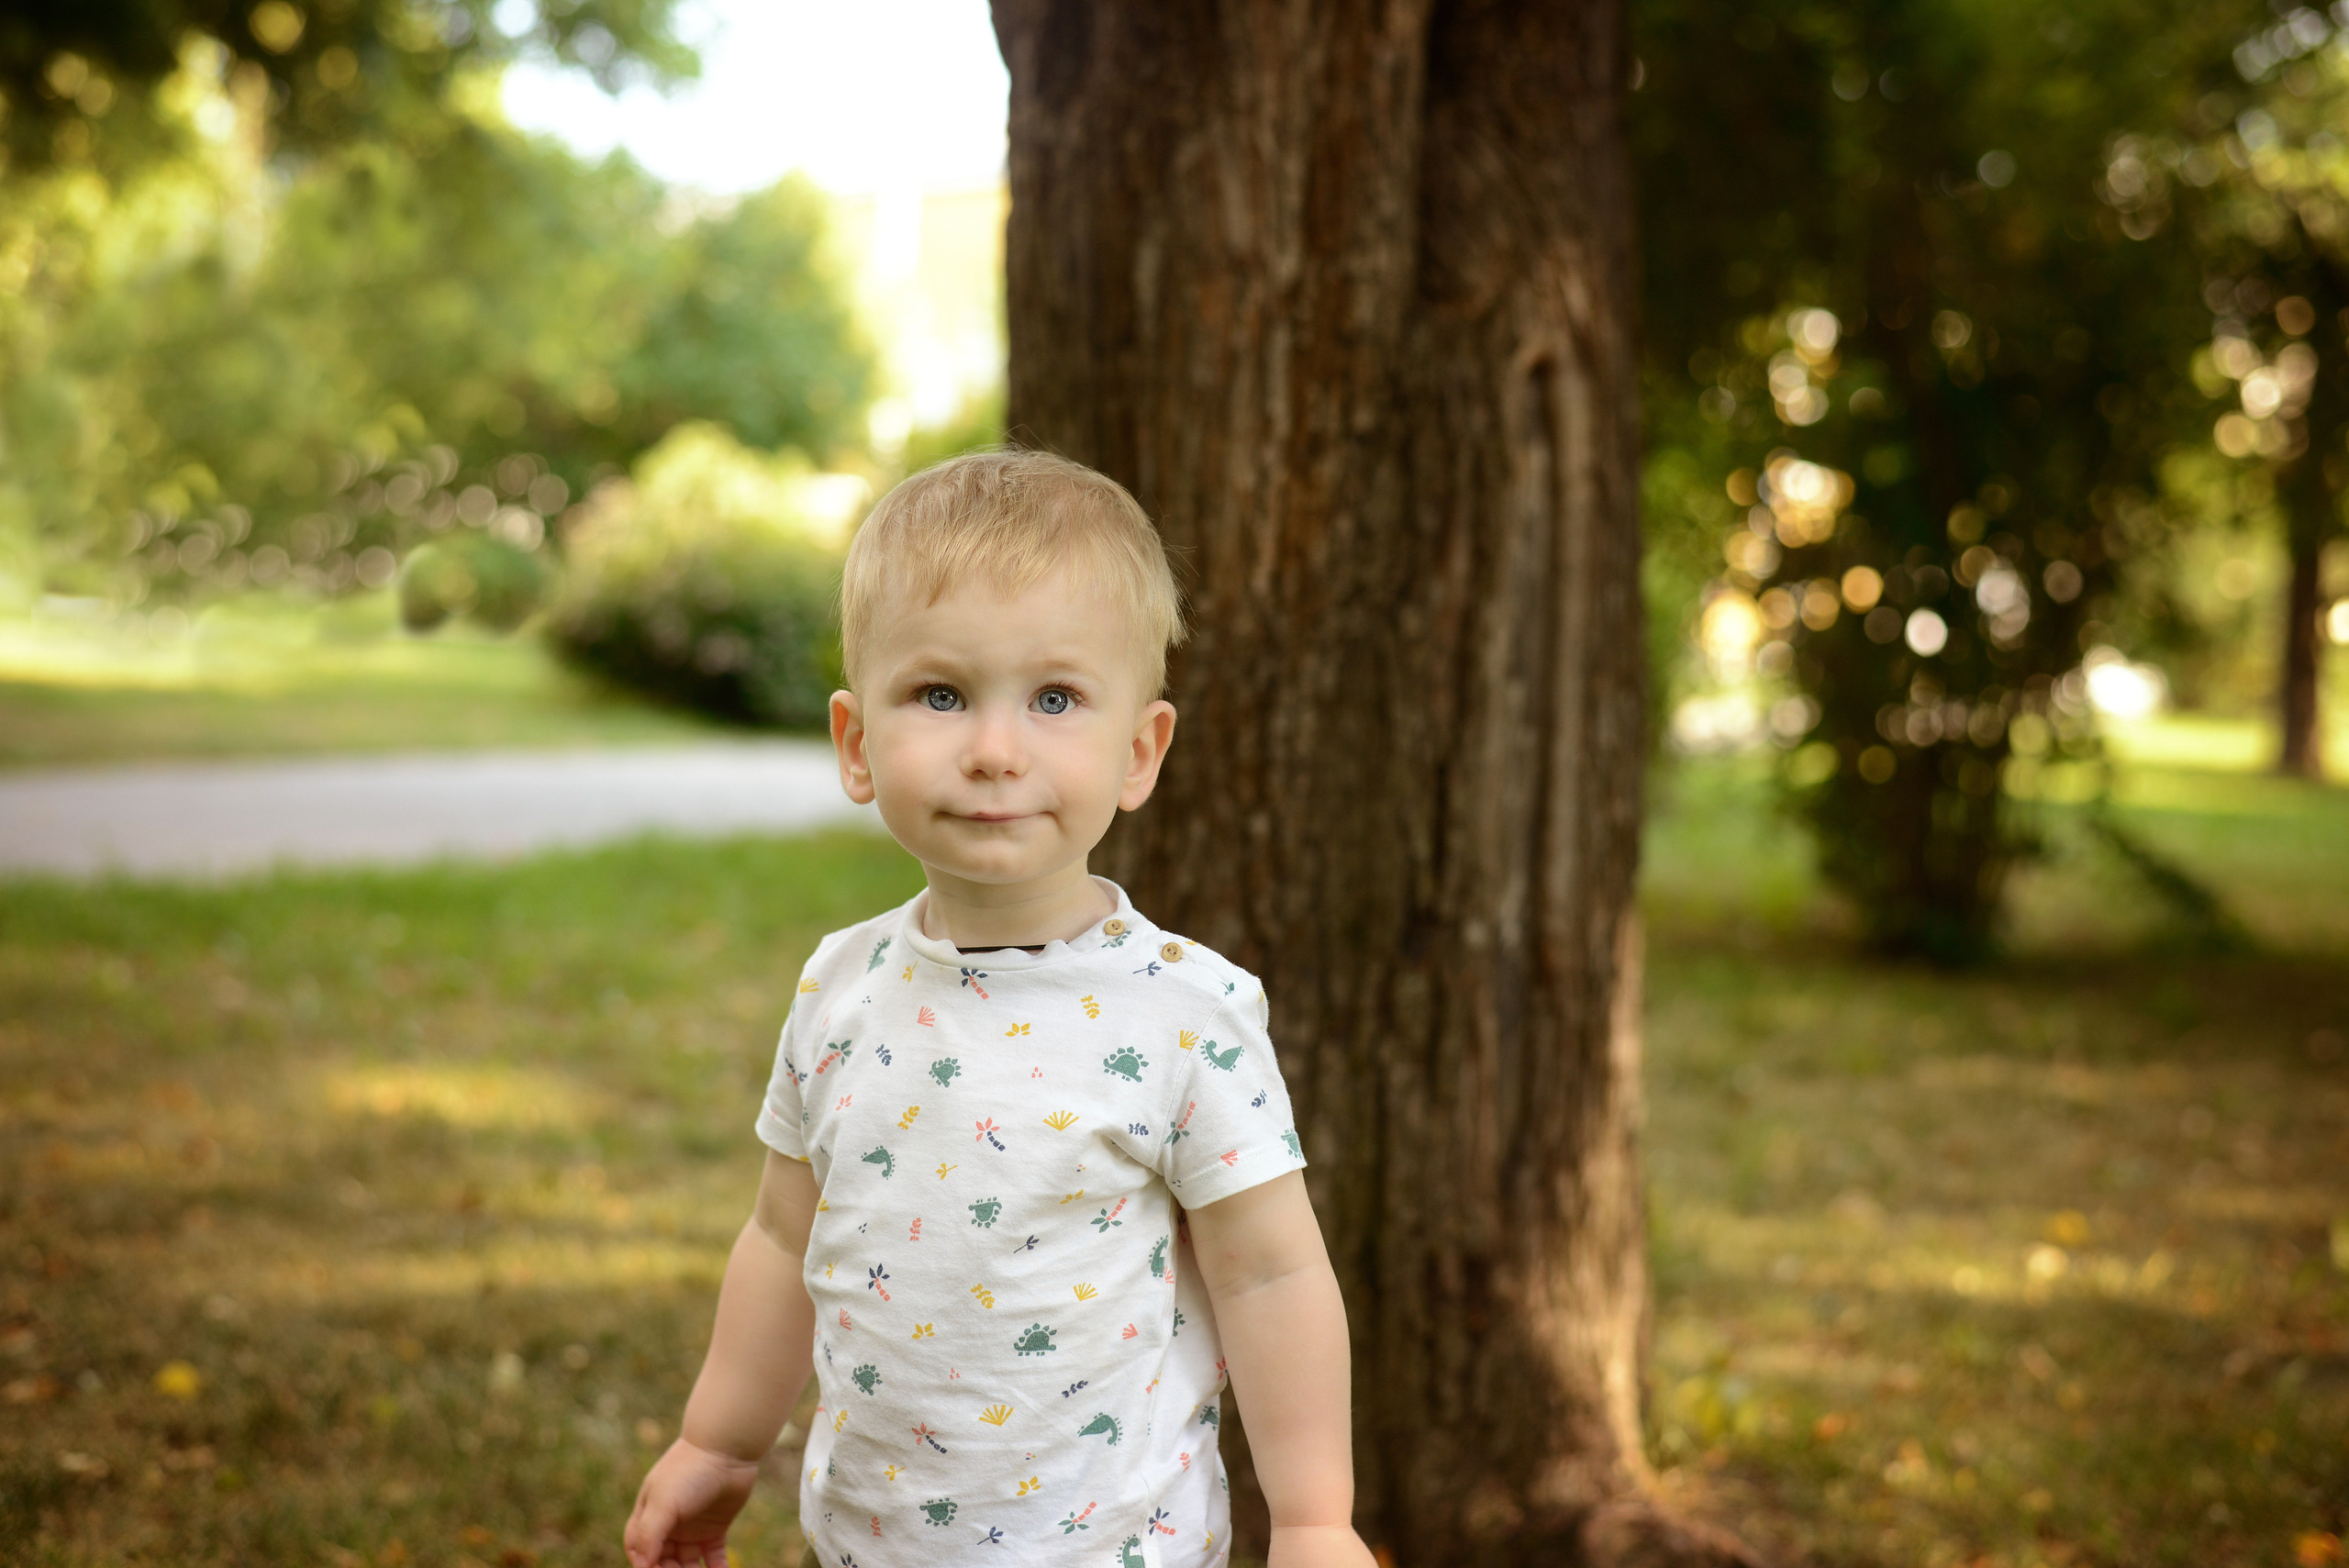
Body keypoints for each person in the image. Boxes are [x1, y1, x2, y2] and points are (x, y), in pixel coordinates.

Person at [624, 451, 1375, 1568]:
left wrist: (1314, 1519)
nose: (992, 749)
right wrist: (720, 1441)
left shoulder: (1184, 1011)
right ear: (856, 742)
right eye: (940, 694)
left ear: (1139, 751)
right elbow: (785, 1234)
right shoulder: (838, 987)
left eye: (1055, 698)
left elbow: (1269, 1272)